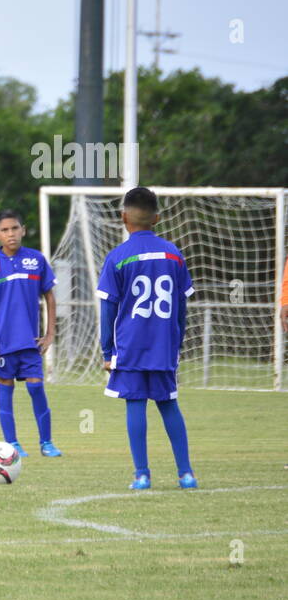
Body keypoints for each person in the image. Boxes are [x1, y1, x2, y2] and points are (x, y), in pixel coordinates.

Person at [97, 186, 196, 490]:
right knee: (169, 404)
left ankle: (142, 474)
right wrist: (176, 342)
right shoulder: (173, 254)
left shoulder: (118, 257)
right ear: (157, 218)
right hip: (163, 345)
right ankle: (186, 474)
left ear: (123, 217)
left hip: (131, 346)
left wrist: (107, 351)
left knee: (135, 403)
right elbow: (181, 305)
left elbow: (107, 309)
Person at [0, 209, 62, 458]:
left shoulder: (36, 260)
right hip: (3, 343)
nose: (10, 234)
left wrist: (49, 334)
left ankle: (46, 443)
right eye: (5, 230)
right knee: (6, 389)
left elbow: (50, 297)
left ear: (23, 230)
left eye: (15, 228)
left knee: (36, 388)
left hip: (29, 342)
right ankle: (12, 444)